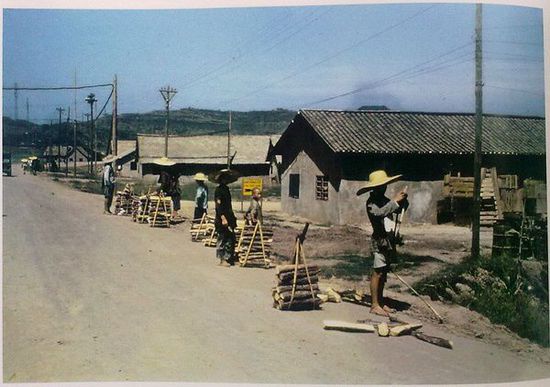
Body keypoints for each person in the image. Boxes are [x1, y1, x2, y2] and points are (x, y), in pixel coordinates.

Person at [357, 170, 409, 317]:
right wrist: (395, 201)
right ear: (375, 188)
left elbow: (397, 209)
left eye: (385, 185)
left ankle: (380, 301)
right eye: (381, 186)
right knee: (377, 272)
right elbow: (381, 213)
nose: (384, 188)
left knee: (384, 273)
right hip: (379, 241)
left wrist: (403, 201)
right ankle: (374, 304)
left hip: (388, 240)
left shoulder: (384, 200)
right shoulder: (371, 203)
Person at [212, 169, 239, 267]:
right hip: (221, 219)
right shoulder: (218, 190)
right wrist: (223, 218)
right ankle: (222, 259)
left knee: (231, 238)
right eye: (225, 178)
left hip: (229, 217)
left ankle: (229, 257)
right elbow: (218, 206)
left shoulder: (226, 189)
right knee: (222, 238)